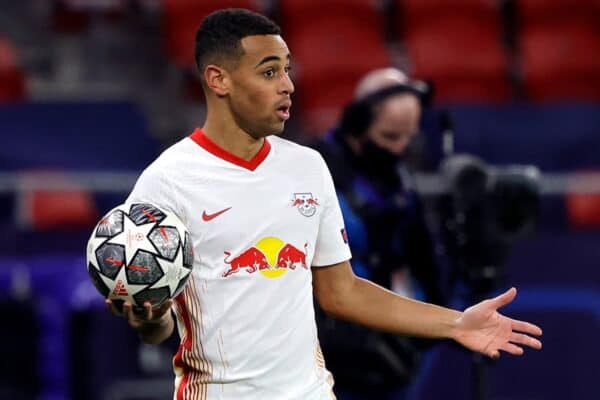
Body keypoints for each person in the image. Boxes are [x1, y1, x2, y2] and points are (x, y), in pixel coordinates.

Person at [105, 9, 542, 400]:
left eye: (288, 70)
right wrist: (148, 322)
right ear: (219, 80)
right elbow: (157, 323)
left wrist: (456, 323)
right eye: (269, 72)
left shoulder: (307, 167)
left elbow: (342, 292)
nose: (288, 86)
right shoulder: (167, 181)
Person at [311, 68, 446, 399]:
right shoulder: (314, 171)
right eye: (389, 137)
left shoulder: (400, 181)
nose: (399, 148)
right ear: (358, 124)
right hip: (327, 353)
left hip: (386, 344)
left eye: (407, 137)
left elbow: (422, 258)